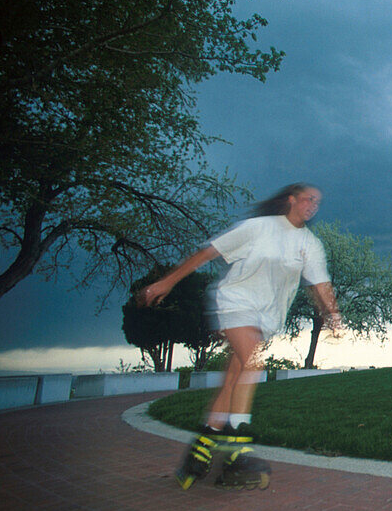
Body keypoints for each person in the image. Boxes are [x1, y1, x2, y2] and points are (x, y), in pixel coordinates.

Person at [140, 183, 342, 490]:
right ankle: (238, 447)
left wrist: (333, 316)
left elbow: (320, 284)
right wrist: (166, 283)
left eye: (318, 200)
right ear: (291, 199)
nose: (313, 204)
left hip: (267, 316)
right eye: (308, 198)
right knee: (253, 363)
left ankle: (202, 448)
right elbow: (209, 252)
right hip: (236, 303)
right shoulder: (258, 228)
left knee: (236, 376)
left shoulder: (309, 244)